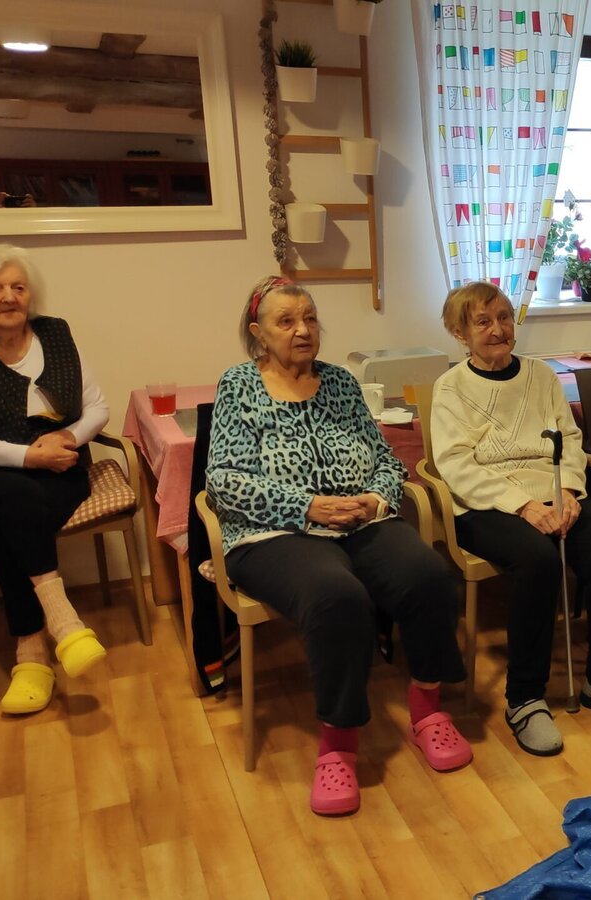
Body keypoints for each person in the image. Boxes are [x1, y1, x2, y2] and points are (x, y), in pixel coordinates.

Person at [207, 276, 470, 817]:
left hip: (359, 522)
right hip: (274, 532)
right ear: (258, 333)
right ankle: (338, 746)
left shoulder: (342, 384)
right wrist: (307, 506)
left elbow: (385, 459)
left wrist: (377, 497)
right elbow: (225, 481)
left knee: (428, 575)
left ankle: (427, 710)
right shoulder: (238, 386)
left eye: (309, 318)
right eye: (286, 321)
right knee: (337, 596)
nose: (303, 330)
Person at [430, 281, 591, 758]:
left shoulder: (540, 375)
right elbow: (455, 466)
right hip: (486, 504)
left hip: (554, 491)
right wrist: (522, 504)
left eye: (503, 318)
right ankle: (525, 699)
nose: (498, 329)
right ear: (460, 334)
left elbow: (570, 439)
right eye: (483, 322)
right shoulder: (450, 388)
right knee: (537, 561)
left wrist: (570, 491)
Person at [0, 244, 110, 715]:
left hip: (59, 468)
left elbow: (97, 408)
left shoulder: (56, 332)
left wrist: (68, 437)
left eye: (18, 287)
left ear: (31, 294)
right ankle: (63, 622)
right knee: (14, 496)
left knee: (6, 527)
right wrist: (29, 456)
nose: (8, 297)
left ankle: (31, 655)